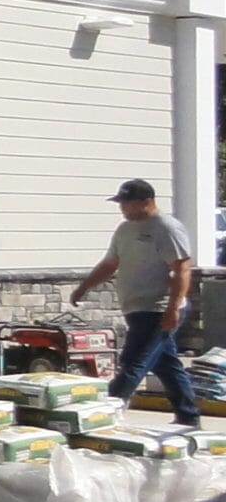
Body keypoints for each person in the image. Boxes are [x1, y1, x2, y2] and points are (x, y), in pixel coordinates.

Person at [71, 177, 199, 428]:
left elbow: (182, 268)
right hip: (135, 308)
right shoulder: (124, 229)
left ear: (145, 202)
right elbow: (110, 264)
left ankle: (103, 415)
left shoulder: (166, 227)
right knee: (167, 365)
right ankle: (188, 417)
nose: (122, 208)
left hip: (159, 309)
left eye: (126, 203)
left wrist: (173, 308)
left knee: (134, 362)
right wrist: (84, 287)